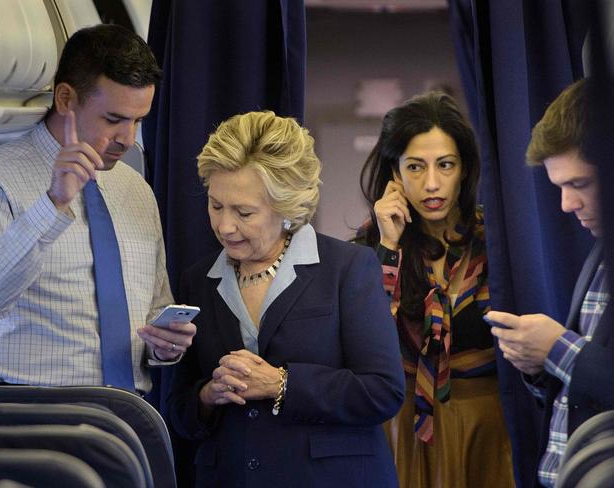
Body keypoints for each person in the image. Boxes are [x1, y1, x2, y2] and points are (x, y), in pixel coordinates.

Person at [167, 111, 405, 487]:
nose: (225, 226)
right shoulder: (197, 280)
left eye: (244, 212)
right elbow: (179, 411)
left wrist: (282, 384)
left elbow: (383, 392)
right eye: (215, 206)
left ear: (287, 208)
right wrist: (208, 396)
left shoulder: (348, 267)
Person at [0, 24, 196, 393]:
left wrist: (165, 343)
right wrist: (53, 203)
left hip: (125, 415)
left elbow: (155, 304)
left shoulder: (135, 189)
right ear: (66, 99)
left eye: (138, 120)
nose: (128, 139)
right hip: (23, 415)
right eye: (114, 119)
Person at [359, 92, 515, 487]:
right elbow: (366, 341)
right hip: (403, 428)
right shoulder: (367, 249)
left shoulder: (499, 241)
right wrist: (388, 246)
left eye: (445, 165)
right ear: (395, 174)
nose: (432, 183)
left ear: (464, 169)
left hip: (490, 427)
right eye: (415, 167)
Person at [486, 78, 611, 487]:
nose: (566, 205)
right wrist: (540, 364)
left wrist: (558, 348)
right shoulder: (601, 250)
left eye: (579, 184)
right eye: (560, 187)